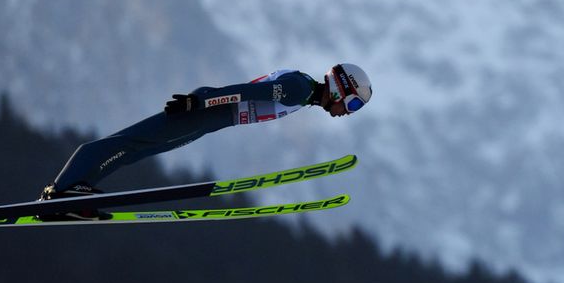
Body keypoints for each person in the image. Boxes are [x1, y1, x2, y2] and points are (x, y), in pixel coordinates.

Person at [38, 63, 372, 212]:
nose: (348, 111)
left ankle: (75, 193)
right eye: (353, 103)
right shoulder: (300, 88)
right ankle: (61, 190)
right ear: (341, 89)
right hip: (205, 110)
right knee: (129, 142)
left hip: (210, 118)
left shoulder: (305, 95)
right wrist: (198, 102)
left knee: (136, 151)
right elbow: (247, 92)